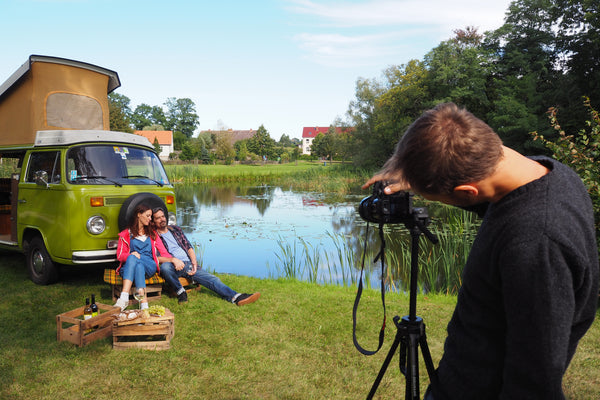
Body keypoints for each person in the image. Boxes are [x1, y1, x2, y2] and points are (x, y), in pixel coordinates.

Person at [363, 102, 598, 399]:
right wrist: (419, 171)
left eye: (433, 197)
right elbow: (504, 206)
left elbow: (534, 382)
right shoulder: (549, 173)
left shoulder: (537, 244)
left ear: (467, 193)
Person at [151, 207, 261, 306]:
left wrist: (194, 262)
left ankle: (235, 297)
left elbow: (188, 246)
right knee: (165, 267)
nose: (162, 219)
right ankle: (181, 292)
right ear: (153, 221)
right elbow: (156, 257)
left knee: (212, 279)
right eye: (158, 218)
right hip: (172, 265)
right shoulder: (153, 235)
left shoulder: (175, 229)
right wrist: (173, 260)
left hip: (187, 264)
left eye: (163, 216)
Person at [114, 203, 172, 311]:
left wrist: (174, 260)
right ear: (139, 215)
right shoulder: (126, 234)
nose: (150, 219)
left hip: (149, 265)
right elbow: (120, 256)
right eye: (148, 215)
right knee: (136, 263)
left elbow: (163, 252)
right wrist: (131, 255)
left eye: (150, 216)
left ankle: (123, 298)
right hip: (131, 267)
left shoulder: (152, 234)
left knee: (135, 259)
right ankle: (144, 305)